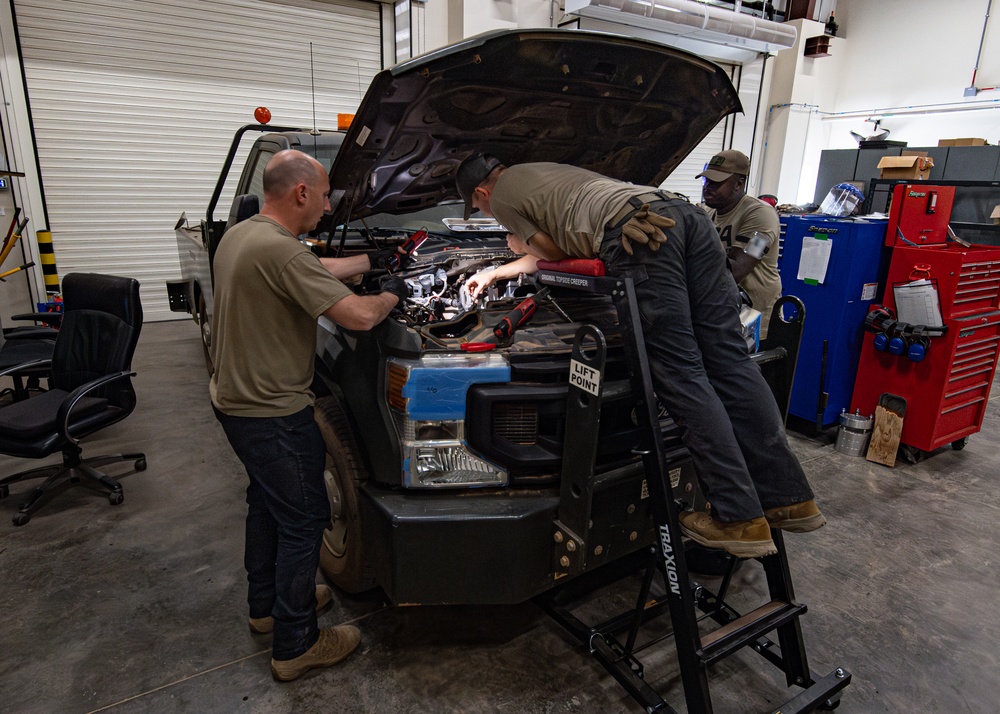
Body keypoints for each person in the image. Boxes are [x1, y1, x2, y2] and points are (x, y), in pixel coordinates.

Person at [458, 153, 824, 559]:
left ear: (482, 192)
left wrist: (517, 241)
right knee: (730, 362)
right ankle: (789, 497)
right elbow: (566, 234)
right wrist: (499, 271)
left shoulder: (504, 196)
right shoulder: (551, 170)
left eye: (479, 209)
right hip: (680, 216)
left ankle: (739, 517)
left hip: (642, 237)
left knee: (681, 375)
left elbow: (552, 249)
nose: (489, 214)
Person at [210, 149, 408, 681]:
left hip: (234, 403)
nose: (327, 207)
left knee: (266, 505)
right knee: (304, 521)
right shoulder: (283, 253)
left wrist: (373, 262)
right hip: (272, 413)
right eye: (324, 196)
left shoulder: (246, 235)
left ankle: (266, 608)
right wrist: (392, 291)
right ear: (301, 193)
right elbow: (362, 317)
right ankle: (295, 645)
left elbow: (309, 268)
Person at [698, 150, 782, 338]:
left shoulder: (761, 215)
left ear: (739, 184)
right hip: (722, 317)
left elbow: (737, 270)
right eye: (706, 181)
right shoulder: (708, 214)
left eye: (716, 182)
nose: (708, 187)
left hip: (754, 324)